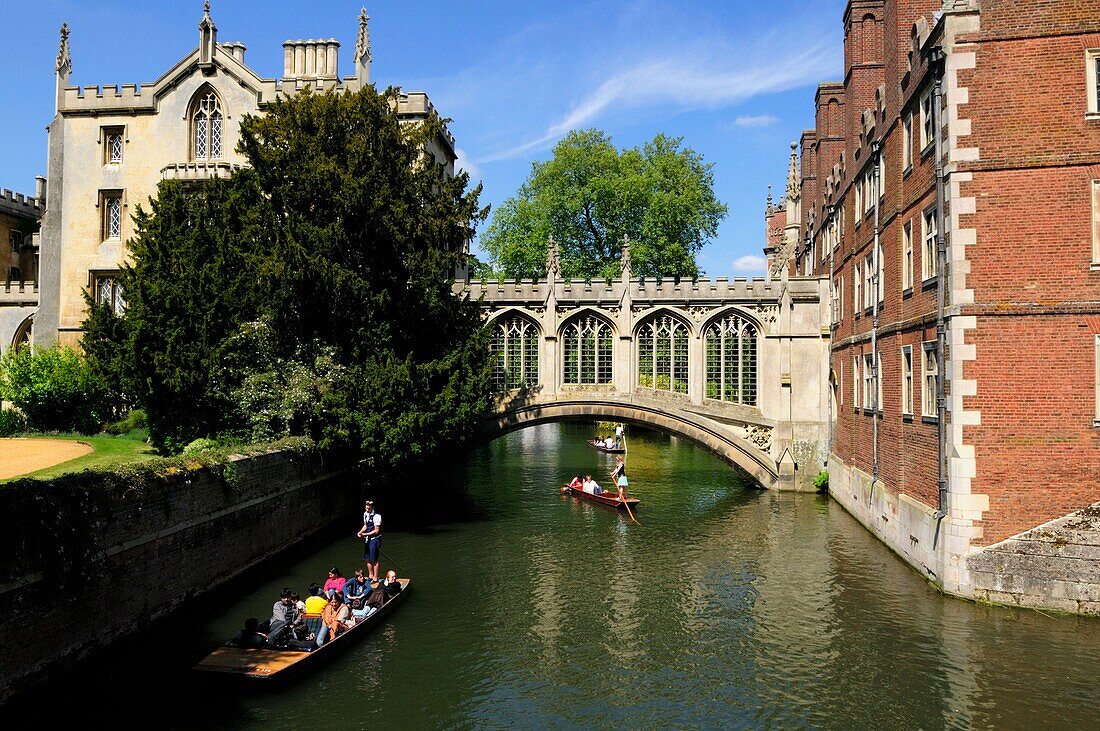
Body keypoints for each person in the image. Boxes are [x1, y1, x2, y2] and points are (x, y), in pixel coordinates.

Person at [357, 500, 382, 580]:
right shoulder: (365, 514)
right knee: (367, 558)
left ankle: (375, 577)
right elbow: (365, 526)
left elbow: (376, 530)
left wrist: (365, 534)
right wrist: (360, 532)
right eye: (366, 508)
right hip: (368, 539)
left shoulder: (377, 516)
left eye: (369, 509)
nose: (367, 510)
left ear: (372, 508)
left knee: (374, 559)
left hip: (375, 539)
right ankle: (370, 575)